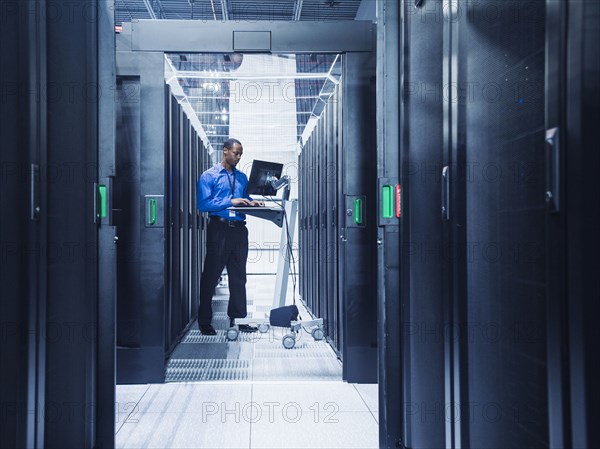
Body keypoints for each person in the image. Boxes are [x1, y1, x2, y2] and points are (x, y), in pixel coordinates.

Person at [196, 138, 264, 335]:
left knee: (238, 277)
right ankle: (204, 322)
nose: (239, 156)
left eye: (241, 153)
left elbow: (245, 198)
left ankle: (240, 319)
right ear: (225, 151)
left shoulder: (242, 178)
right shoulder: (209, 176)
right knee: (210, 276)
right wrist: (230, 201)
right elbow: (203, 204)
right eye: (236, 152)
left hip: (239, 230)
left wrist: (252, 203)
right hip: (219, 229)